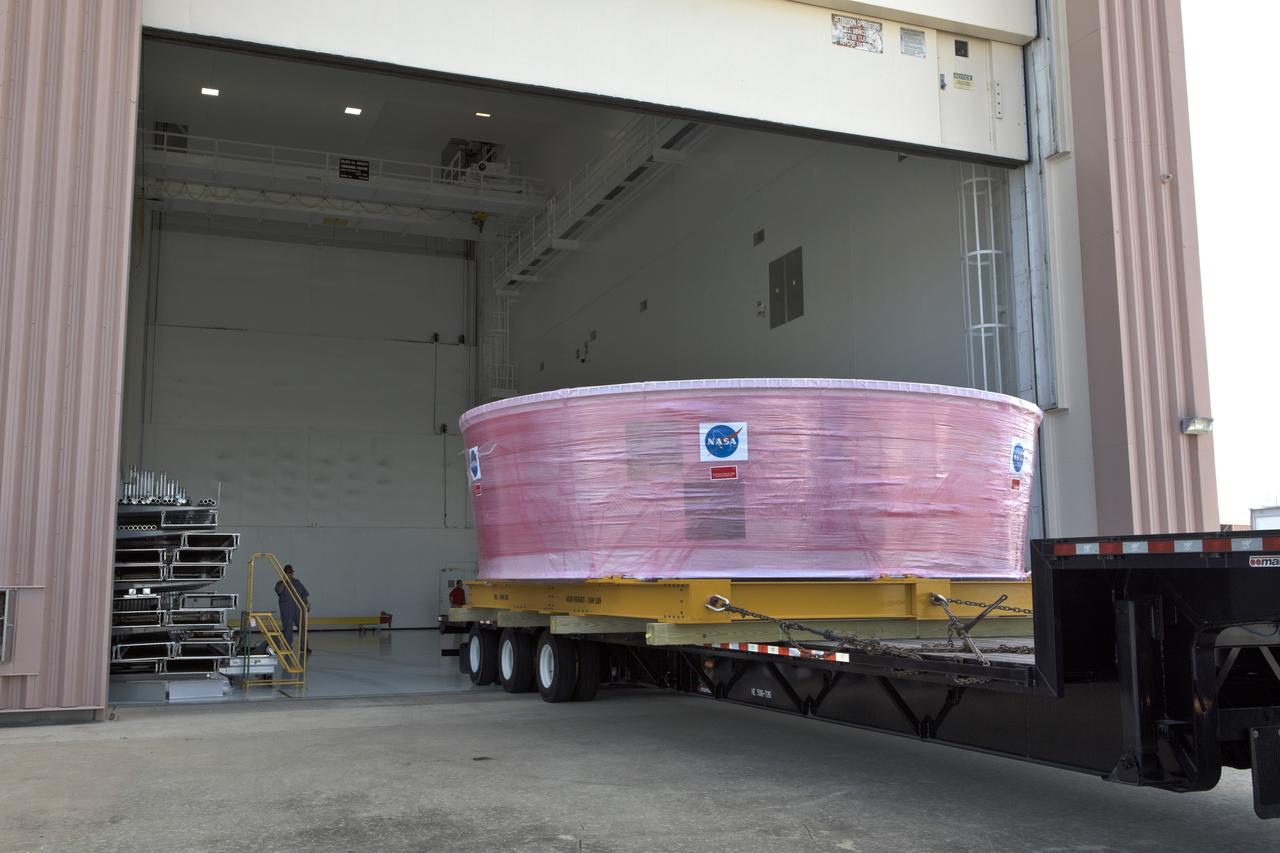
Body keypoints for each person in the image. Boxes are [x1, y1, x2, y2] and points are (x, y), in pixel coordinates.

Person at [275, 564, 310, 654]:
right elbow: (279, 591)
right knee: (287, 627)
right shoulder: (280, 584)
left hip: (298, 608)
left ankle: (304, 647)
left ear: (292, 573)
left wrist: (307, 604)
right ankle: (288, 647)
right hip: (286, 609)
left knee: (302, 627)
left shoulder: (297, 583)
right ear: (284, 573)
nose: (288, 574)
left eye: (290, 572)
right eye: (286, 573)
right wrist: (285, 580)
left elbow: (304, 594)